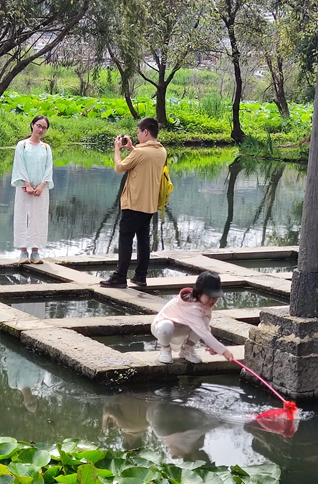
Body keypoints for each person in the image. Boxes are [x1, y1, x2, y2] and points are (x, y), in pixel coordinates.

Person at [100, 117, 167, 288]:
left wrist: (117, 149)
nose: (137, 135)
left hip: (135, 203)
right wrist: (131, 148)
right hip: (150, 204)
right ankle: (140, 276)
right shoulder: (161, 151)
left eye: (138, 132)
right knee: (143, 239)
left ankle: (120, 276)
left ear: (146, 132)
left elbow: (119, 167)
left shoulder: (140, 152)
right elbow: (144, 159)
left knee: (125, 239)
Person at [151, 271, 235, 364]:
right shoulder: (191, 306)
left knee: (204, 320)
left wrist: (211, 345)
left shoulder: (204, 304)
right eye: (210, 296)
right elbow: (202, 331)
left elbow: (203, 328)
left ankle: (188, 348)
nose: (213, 300)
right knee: (166, 326)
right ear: (199, 293)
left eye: (215, 297)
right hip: (161, 328)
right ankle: (165, 349)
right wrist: (224, 351)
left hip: (182, 329)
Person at [11, 115, 53, 264]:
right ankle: (23, 252)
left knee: (39, 218)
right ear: (32, 125)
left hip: (41, 189)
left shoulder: (46, 148)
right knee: (22, 217)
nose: (40, 129)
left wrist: (41, 185)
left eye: (44, 127)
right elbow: (20, 165)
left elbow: (48, 169)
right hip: (24, 188)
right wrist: (27, 184)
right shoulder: (22, 145)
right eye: (38, 125)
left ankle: (35, 252)